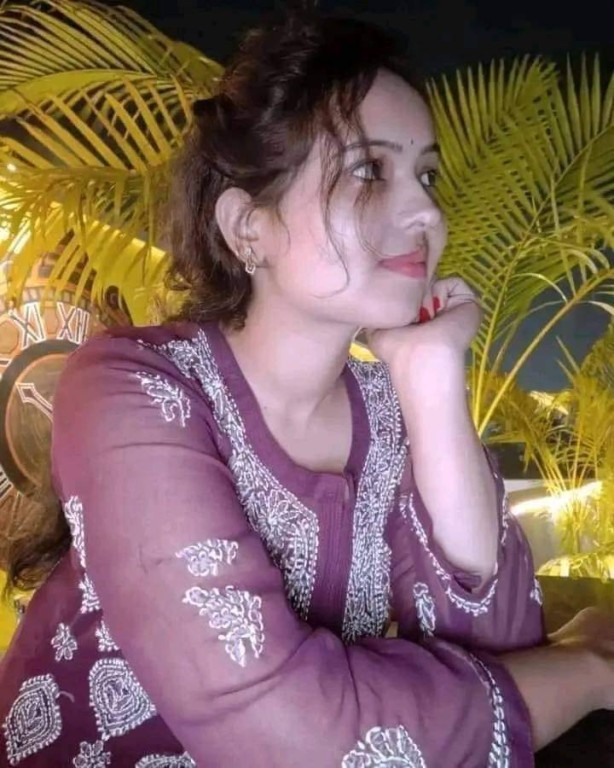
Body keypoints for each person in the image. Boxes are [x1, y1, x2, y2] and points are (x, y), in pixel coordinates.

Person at [1, 10, 613, 767]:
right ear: (247, 228)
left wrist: (429, 377)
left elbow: (499, 641)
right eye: (368, 170)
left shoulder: (391, 417)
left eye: (426, 176)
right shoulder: (131, 389)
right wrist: (590, 668)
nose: (428, 213)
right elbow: (287, 735)